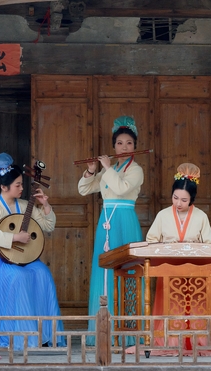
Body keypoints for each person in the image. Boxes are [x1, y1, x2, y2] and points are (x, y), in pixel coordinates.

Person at [127, 163, 211, 356]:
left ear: (192, 199)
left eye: (184, 200)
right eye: (175, 198)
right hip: (168, 269)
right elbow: (151, 240)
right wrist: (166, 247)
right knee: (171, 306)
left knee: (197, 306)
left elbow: (210, 243)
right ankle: (169, 341)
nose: (179, 203)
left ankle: (199, 341)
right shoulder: (163, 215)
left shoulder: (201, 216)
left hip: (196, 271)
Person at [0, 153, 64, 350]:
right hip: (2, 260)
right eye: (17, 185)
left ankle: (44, 335)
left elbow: (48, 226)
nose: (21, 188)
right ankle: (20, 336)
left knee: (43, 274)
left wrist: (45, 205)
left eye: (21, 184)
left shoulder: (26, 206)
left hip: (25, 257)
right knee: (18, 277)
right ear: (4, 187)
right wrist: (14, 238)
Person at [78, 116, 144, 345]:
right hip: (106, 221)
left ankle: (129, 331)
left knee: (128, 271)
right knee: (105, 270)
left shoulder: (136, 169)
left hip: (125, 221)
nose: (124, 147)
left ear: (135, 146)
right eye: (119, 143)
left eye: (129, 143)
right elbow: (84, 189)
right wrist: (90, 171)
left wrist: (106, 168)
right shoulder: (112, 168)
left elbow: (121, 188)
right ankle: (104, 329)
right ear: (114, 146)